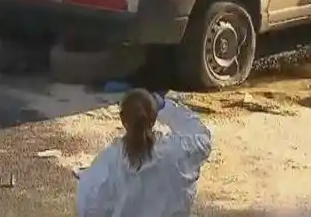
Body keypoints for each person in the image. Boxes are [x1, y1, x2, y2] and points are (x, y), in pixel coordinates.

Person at [76, 89, 214, 217]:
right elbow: (202, 138)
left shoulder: (108, 162)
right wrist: (166, 107)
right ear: (154, 119)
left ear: (123, 119)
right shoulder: (176, 151)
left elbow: (89, 206)